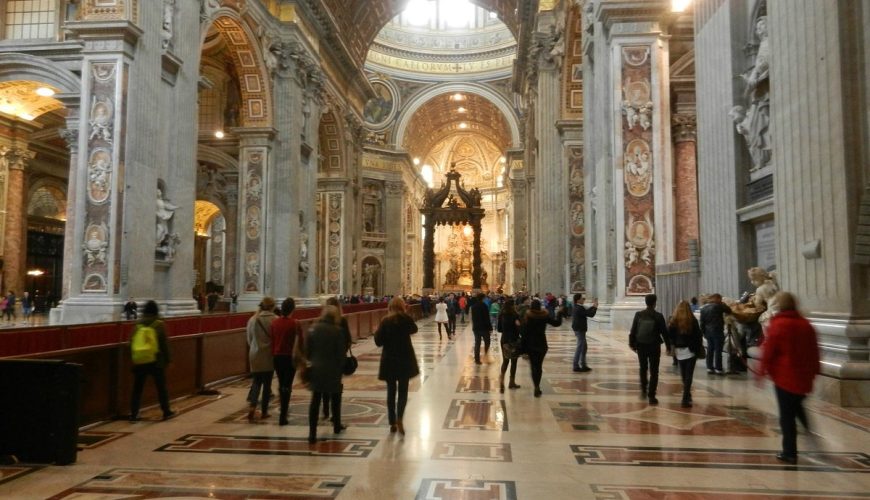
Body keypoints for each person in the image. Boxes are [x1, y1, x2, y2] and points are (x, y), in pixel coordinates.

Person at [760, 292, 820, 464]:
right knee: (797, 404)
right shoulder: (806, 324)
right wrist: (815, 370)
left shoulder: (778, 324)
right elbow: (814, 349)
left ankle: (789, 452)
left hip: (785, 376)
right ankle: (810, 432)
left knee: (786, 415)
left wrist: (762, 371)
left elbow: (769, 351)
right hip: (804, 375)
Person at [374, 296, 419, 435]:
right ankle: (400, 418)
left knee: (391, 391)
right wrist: (406, 315)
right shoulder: (406, 319)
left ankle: (392, 421)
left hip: (390, 361)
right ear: (402, 306)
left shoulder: (385, 321)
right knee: (403, 392)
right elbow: (414, 329)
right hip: (405, 360)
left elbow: (378, 341)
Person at [305, 305, 347, 443]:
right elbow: (341, 353)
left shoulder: (313, 329)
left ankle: (312, 433)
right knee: (335, 398)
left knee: (315, 400)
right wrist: (341, 367)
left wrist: (311, 362)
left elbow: (308, 350)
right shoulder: (338, 331)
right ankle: (336, 426)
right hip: (333, 369)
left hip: (316, 368)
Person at [129, 300, 174, 421]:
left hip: (140, 361)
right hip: (156, 361)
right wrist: (169, 360)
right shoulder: (159, 324)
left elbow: (131, 342)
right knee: (161, 388)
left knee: (137, 389)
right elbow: (164, 345)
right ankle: (166, 411)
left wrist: (133, 357)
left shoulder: (138, 325)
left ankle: (134, 414)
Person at [628, 294, 670, 405]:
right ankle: (652, 395)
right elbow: (665, 333)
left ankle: (643, 388)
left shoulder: (639, 315)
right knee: (654, 370)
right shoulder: (658, 316)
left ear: (646, 302)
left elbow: (633, 330)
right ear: (655, 303)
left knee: (643, 367)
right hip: (654, 346)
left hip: (641, 345)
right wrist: (669, 347)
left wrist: (632, 343)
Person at [321, 297, 352, 423]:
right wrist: (342, 351)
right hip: (338, 359)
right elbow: (348, 340)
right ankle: (335, 417)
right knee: (336, 386)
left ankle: (326, 410)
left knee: (324, 385)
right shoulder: (342, 320)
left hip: (323, 359)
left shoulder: (321, 322)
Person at [668, 300, 703, 407]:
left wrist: (672, 345)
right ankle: (685, 397)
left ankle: (687, 395)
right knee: (689, 375)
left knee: (683, 374)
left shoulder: (674, 321)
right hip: (691, 350)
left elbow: (670, 335)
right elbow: (698, 336)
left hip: (679, 350)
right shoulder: (692, 320)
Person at [523, 299, 562, 397]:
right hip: (541, 344)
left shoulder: (528, 316)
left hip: (530, 344)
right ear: (540, 306)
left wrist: (523, 347)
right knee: (539, 366)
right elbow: (556, 323)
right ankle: (538, 386)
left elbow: (525, 332)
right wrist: (559, 313)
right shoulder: (544, 316)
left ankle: (536, 386)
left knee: (533, 366)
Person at [246, 297, 276, 421]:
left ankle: (252, 406)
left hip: (255, 354)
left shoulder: (253, 320)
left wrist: (255, 347)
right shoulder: (275, 320)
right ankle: (264, 411)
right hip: (269, 355)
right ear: (272, 306)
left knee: (256, 382)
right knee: (267, 384)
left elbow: (249, 339)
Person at [271, 297, 300, 426]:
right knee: (287, 385)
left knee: (281, 382)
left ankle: (283, 407)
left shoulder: (274, 323)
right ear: (293, 309)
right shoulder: (295, 323)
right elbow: (300, 342)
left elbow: (271, 340)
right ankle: (283, 414)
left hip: (277, 357)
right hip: (289, 357)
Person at [699, 293, 732, 375]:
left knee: (710, 350)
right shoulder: (718, 306)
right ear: (717, 299)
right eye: (720, 299)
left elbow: (702, 322)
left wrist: (703, 332)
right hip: (717, 331)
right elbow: (729, 310)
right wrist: (723, 304)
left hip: (708, 331)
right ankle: (718, 368)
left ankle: (709, 367)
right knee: (718, 350)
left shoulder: (703, 308)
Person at [497, 298, 521, 393]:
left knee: (505, 361)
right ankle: (511, 382)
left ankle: (502, 380)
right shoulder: (515, 315)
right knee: (514, 362)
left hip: (504, 340)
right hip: (514, 340)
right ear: (513, 305)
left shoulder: (501, 315)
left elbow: (499, 329)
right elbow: (519, 328)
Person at [571, 294, 598, 372]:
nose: (584, 300)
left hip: (579, 329)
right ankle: (575, 365)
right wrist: (595, 307)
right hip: (580, 329)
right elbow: (590, 314)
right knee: (580, 347)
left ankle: (583, 364)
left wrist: (593, 306)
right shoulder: (579, 308)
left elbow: (586, 311)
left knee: (584, 347)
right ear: (578, 300)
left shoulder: (578, 307)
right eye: (582, 298)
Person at [470, 293, 493, 364]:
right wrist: (490, 328)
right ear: (483, 298)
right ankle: (486, 357)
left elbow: (472, 318)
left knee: (477, 343)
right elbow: (487, 318)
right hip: (484, 328)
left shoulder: (473, 306)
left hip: (476, 328)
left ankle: (477, 359)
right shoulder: (484, 306)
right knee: (487, 342)